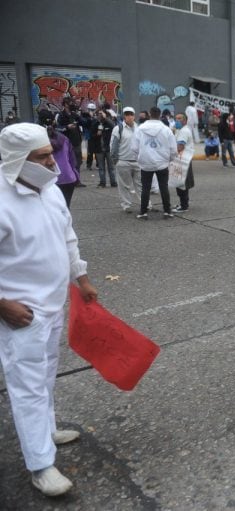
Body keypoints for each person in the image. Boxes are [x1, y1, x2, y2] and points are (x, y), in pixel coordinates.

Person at [0, 122, 98, 497]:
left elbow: (67, 236)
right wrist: (2, 303)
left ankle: (47, 428)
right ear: (15, 161)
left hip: (54, 304)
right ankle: (41, 464)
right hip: (19, 313)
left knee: (45, 374)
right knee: (26, 386)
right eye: (41, 158)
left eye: (50, 154)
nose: (52, 163)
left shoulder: (49, 190)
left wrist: (81, 278)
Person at [131, 106, 176, 219]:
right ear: (160, 115)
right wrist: (169, 159)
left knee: (145, 188)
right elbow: (173, 149)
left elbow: (134, 148)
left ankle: (143, 212)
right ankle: (167, 211)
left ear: (149, 115)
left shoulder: (140, 129)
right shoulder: (166, 129)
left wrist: (139, 159)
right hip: (162, 163)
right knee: (163, 187)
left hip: (146, 163)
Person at [110, 106, 146, 213]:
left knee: (141, 185)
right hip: (123, 161)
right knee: (124, 186)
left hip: (138, 162)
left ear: (134, 116)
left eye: (131, 114)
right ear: (124, 116)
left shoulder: (139, 129)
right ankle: (127, 205)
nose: (129, 116)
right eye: (127, 114)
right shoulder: (118, 129)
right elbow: (113, 146)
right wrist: (115, 160)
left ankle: (145, 204)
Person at [173, 113, 195, 213]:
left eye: (180, 118)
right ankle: (183, 203)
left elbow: (180, 146)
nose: (177, 120)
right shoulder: (181, 130)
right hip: (182, 160)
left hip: (182, 160)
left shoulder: (184, 131)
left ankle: (184, 206)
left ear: (185, 120)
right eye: (176, 118)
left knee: (182, 184)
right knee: (181, 183)